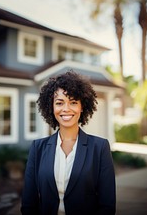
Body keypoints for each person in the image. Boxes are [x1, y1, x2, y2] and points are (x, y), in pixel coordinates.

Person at [21, 70, 116, 215]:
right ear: (51, 107)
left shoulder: (100, 147)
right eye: (59, 103)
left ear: (82, 106)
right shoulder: (37, 148)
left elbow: (107, 205)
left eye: (73, 102)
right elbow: (28, 203)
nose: (66, 109)